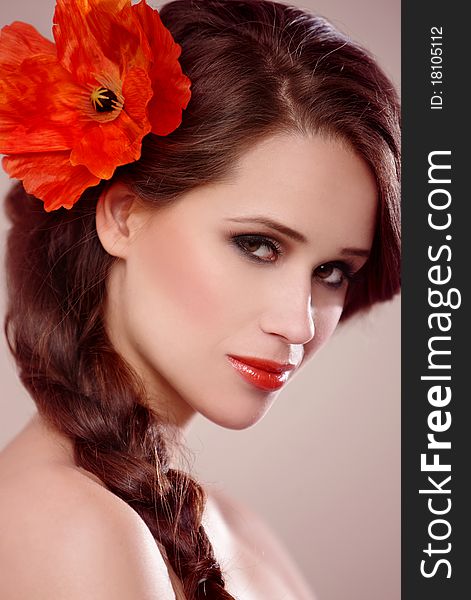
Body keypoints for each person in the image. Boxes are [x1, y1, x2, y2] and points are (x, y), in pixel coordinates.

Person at [0, 0, 400, 598]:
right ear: (124, 215)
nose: (298, 323)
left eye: (334, 271)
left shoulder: (238, 531)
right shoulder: (69, 528)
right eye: (258, 246)